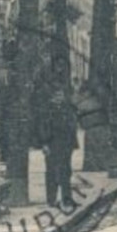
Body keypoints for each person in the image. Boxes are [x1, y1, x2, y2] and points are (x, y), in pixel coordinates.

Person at [43, 61, 80, 210]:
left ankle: (67, 198)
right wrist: (44, 144)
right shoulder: (48, 111)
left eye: (61, 95)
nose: (59, 97)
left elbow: (72, 125)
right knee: (51, 171)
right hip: (52, 145)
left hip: (65, 145)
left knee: (66, 171)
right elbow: (43, 128)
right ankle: (51, 200)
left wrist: (73, 143)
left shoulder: (67, 109)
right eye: (56, 95)